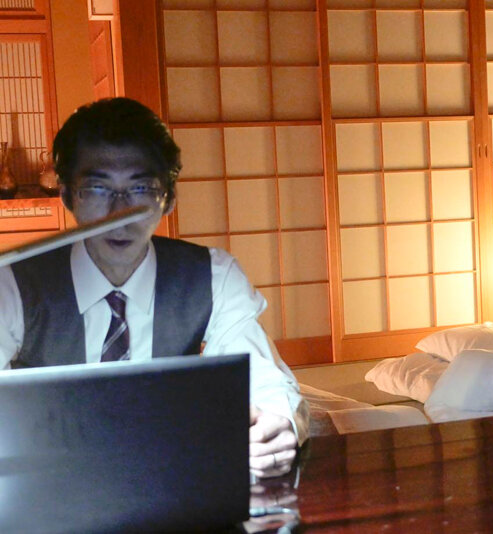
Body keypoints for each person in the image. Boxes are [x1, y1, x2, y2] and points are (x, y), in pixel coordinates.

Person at [0, 97, 308, 478]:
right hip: (49, 486)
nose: (119, 213)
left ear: (169, 199)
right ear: (66, 195)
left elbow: (266, 380)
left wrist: (279, 425)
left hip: (175, 481)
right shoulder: (14, 284)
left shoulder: (213, 275)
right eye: (96, 189)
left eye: (141, 188)